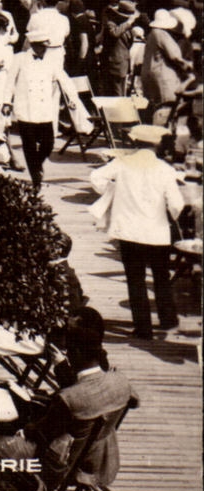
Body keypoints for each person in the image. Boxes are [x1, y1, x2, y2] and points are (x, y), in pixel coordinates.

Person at [0, 319, 135, 491]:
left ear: (76, 353)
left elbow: (40, 433)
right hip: (102, 457)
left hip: (64, 467)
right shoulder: (121, 381)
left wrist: (25, 427)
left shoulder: (69, 398)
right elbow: (127, 399)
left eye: (69, 352)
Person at [90, 123, 184, 339]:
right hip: (156, 231)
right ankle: (168, 320)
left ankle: (143, 328)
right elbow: (176, 203)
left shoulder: (122, 163)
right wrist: (173, 216)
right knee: (161, 277)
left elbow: (96, 177)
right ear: (158, 145)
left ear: (135, 142)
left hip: (128, 230)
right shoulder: (164, 169)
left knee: (135, 279)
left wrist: (113, 191)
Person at [5, 20, 92, 188]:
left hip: (44, 109)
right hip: (26, 107)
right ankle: (36, 178)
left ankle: (36, 164)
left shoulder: (51, 61)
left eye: (46, 47)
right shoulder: (20, 59)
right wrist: (6, 101)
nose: (44, 50)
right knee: (29, 144)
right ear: (33, 45)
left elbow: (65, 81)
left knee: (48, 143)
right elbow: (9, 82)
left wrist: (73, 100)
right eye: (41, 46)